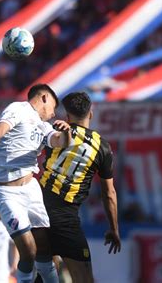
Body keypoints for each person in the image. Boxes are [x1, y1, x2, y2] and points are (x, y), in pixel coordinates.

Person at [0, 84, 71, 283]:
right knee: (28, 250)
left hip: (31, 189)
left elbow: (60, 141)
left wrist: (66, 133)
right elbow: (3, 126)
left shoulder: (44, 126)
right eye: (52, 107)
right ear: (43, 98)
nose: (52, 114)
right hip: (6, 193)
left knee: (47, 251)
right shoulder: (18, 109)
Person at [40, 92, 121, 283]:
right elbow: (109, 193)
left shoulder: (54, 132)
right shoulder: (102, 147)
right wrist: (114, 229)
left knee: (44, 276)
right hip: (65, 216)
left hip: (38, 209)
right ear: (90, 113)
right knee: (83, 279)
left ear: (67, 116)